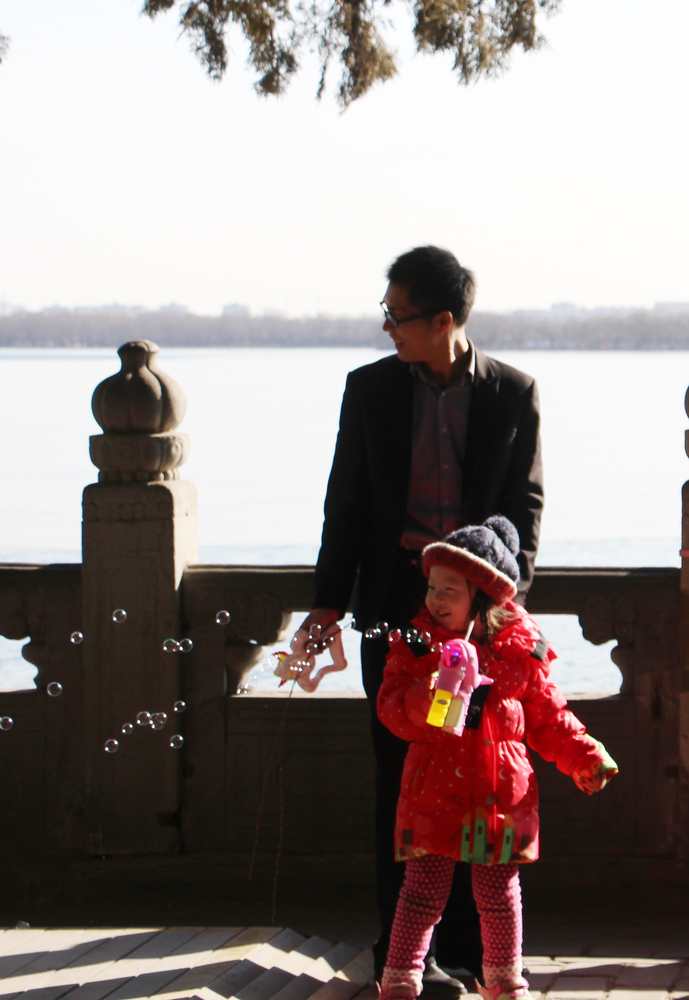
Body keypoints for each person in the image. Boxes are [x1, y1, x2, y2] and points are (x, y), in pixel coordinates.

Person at [300, 246, 544, 993]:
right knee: (402, 778)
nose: (387, 329)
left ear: (443, 321)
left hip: (475, 618)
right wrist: (327, 601)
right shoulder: (370, 389)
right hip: (396, 611)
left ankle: (469, 952)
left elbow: (526, 508)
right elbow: (345, 501)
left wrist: (500, 606)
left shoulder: (512, 392)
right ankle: (405, 954)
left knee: (476, 783)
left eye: (397, 316)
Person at [376, 516, 618, 1000]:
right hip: (433, 795)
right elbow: (392, 709)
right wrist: (429, 695)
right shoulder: (418, 647)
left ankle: (504, 978)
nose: (435, 599)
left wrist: (583, 754)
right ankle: (400, 977)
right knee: (421, 894)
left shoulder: (520, 653)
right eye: (432, 588)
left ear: (484, 598)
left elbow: (548, 717)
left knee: (499, 896)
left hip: (499, 798)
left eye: (449, 590)